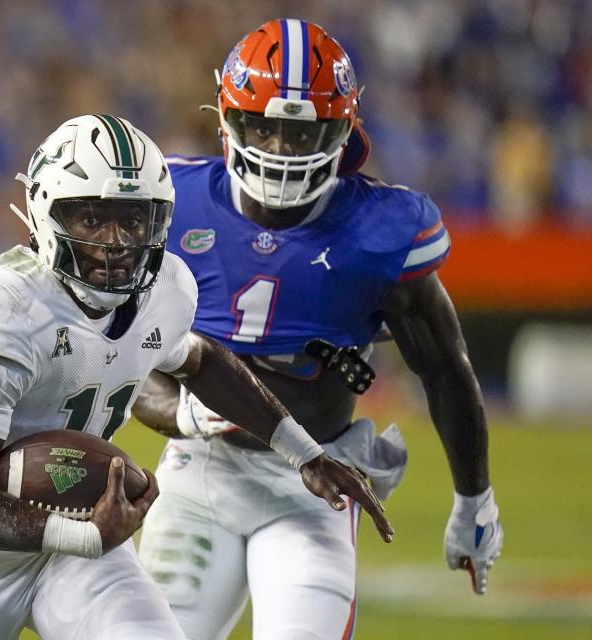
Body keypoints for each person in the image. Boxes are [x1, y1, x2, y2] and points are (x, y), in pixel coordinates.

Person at [0, 114, 392, 640]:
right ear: (45, 212)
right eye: (91, 219)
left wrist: (304, 453)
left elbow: (198, 358)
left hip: (76, 548)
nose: (115, 242)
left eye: (134, 219)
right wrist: (84, 532)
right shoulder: (2, 303)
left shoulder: (168, 286)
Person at [132, 19, 503, 640]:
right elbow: (124, 358)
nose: (279, 146)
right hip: (198, 474)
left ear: (342, 131)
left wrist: (474, 498)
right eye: (264, 125)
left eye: (302, 131)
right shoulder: (168, 202)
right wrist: (184, 416)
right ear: (226, 119)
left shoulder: (379, 228)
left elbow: (444, 367)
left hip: (314, 487)